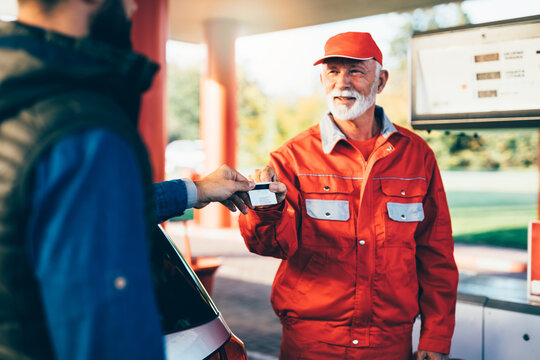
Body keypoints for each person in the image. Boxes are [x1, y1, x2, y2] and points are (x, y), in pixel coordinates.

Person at [0, 0, 254, 359]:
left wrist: (195, 191)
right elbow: (106, 331)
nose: (134, 7)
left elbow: (85, 209)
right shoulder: (83, 124)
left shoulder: (17, 91)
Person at [239, 32, 458, 360]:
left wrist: (435, 337)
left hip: (390, 343)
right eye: (333, 72)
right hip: (312, 342)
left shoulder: (417, 156)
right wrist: (266, 207)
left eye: (356, 71)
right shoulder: (292, 157)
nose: (343, 82)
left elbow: (436, 254)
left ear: (380, 81)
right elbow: (269, 246)